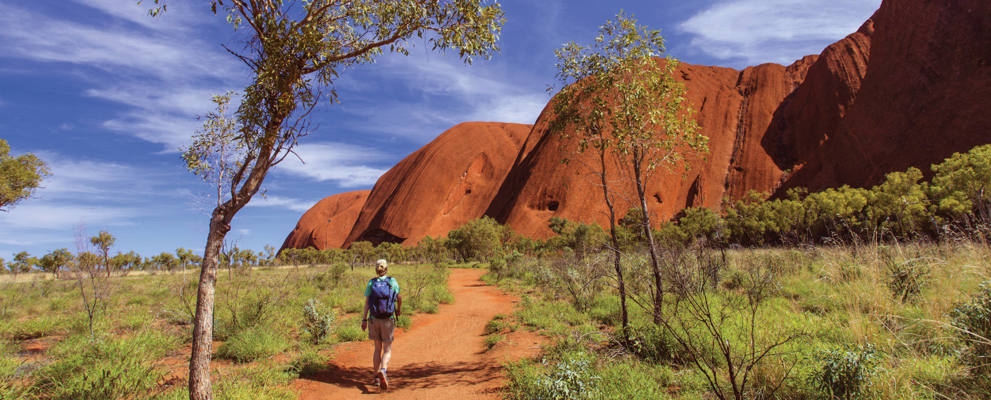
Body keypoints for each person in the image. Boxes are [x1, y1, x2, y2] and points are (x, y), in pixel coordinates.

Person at [361, 259, 402, 390]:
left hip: (374, 319)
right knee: (387, 349)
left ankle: (376, 378)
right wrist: (398, 310)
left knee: (377, 349)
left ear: (376, 269)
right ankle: (383, 370)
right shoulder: (392, 281)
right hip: (388, 319)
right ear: (386, 269)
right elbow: (399, 297)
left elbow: (367, 303)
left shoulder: (371, 282)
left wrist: (364, 320)